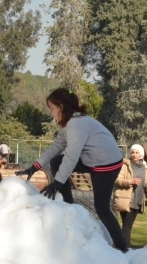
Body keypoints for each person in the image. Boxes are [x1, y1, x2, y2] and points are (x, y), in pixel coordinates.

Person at [16, 88, 129, 252]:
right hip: (92, 160)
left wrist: (57, 183)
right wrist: (35, 166)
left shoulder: (77, 125)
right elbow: (56, 148)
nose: (51, 112)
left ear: (61, 107)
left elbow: (71, 157)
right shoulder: (68, 125)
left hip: (107, 165)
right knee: (56, 161)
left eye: (52, 108)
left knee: (102, 208)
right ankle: (68, 206)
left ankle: (122, 247)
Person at [113, 144, 147, 247]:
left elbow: (144, 182)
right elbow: (117, 180)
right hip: (126, 200)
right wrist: (131, 181)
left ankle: (121, 244)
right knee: (128, 225)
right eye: (133, 152)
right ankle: (125, 247)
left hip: (138, 200)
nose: (134, 155)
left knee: (127, 225)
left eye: (137, 152)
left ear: (141, 154)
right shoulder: (125, 165)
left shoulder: (144, 167)